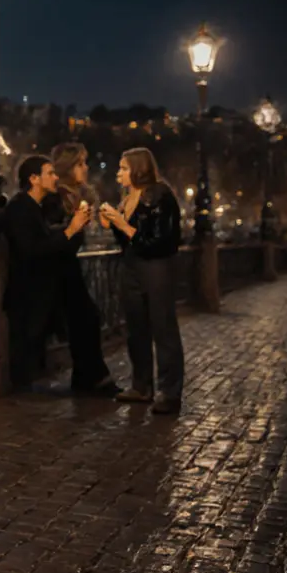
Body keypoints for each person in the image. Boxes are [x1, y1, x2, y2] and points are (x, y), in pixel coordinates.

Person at [99, 148, 185, 415]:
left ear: (138, 169)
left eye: (124, 168)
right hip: (132, 266)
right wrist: (112, 222)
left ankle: (170, 393)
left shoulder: (159, 195)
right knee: (136, 327)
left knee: (163, 327)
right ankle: (141, 385)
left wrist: (122, 224)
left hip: (156, 266)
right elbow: (128, 240)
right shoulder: (128, 199)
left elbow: (160, 241)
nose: (118, 174)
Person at [3, 155, 91, 391]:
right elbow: (31, 249)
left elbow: (47, 242)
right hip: (27, 292)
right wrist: (70, 230)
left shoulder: (35, 207)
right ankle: (18, 398)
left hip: (40, 290)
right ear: (34, 179)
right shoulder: (20, 209)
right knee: (26, 346)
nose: (55, 178)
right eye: (49, 173)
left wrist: (73, 230)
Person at [47, 143, 119, 395]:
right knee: (86, 318)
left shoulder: (78, 197)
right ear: (67, 167)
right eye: (80, 164)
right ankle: (95, 378)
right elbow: (54, 237)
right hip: (57, 267)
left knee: (86, 318)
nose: (85, 168)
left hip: (69, 264)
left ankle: (85, 377)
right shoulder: (56, 198)